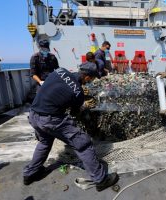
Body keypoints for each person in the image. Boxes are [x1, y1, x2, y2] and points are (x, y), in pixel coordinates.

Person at [23, 63, 119, 191]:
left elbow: (53, 90)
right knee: (83, 144)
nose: (91, 81)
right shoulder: (78, 92)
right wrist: (84, 104)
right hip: (50, 120)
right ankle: (101, 179)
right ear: (87, 77)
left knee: (45, 142)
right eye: (92, 79)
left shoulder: (60, 71)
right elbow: (75, 113)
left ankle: (30, 174)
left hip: (34, 114)